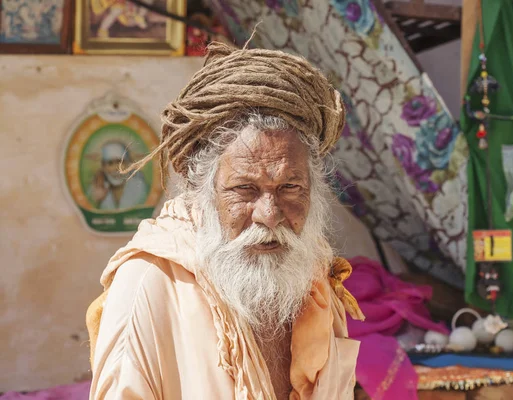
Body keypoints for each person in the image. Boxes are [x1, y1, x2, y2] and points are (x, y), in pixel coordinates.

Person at [86, 42, 364, 399]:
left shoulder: (316, 281)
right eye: (245, 189)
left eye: (290, 187)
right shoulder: (148, 284)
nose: (269, 214)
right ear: (204, 188)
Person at [88, 141, 149, 210]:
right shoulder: (95, 189)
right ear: (104, 167)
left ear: (128, 164)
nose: (115, 168)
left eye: (120, 162)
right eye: (110, 163)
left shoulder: (140, 187)